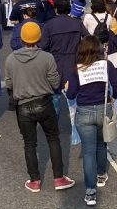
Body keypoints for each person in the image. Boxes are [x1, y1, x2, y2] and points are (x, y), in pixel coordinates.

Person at [5, 22, 75, 192]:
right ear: (39, 38)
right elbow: (55, 81)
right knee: (53, 138)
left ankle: (34, 180)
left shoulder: (11, 59)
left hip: (23, 106)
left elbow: (9, 84)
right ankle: (59, 178)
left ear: (21, 38)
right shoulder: (47, 57)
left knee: (29, 144)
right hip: (44, 102)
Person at [65, 36, 117, 206]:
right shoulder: (106, 65)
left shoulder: (77, 69)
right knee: (101, 144)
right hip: (103, 109)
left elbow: (71, 95)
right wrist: (112, 98)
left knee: (88, 151)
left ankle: (90, 193)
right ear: (98, 49)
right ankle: (101, 175)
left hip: (84, 113)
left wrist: (68, 88)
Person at [40, 0, 89, 119]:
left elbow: (43, 46)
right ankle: (78, 123)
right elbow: (88, 39)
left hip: (55, 62)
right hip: (74, 62)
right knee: (75, 93)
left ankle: (55, 124)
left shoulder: (49, 25)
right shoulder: (77, 23)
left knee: (55, 95)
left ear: (56, 9)